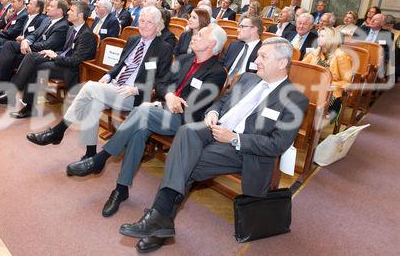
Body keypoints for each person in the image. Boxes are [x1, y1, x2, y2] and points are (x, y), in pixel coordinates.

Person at [119, 37, 309, 253]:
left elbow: (277, 144)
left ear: (282, 63)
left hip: (244, 149)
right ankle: (160, 221)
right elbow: (221, 100)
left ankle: (158, 220)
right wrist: (213, 112)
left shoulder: (294, 99)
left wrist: (234, 138)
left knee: (186, 162)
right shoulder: (248, 79)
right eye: (257, 56)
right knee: (187, 132)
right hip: (215, 130)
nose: (256, 61)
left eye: (263, 56)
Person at [66, 23, 228, 217]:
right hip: (158, 111)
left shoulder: (217, 72)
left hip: (184, 122)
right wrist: (167, 97)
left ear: (212, 43)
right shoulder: (184, 59)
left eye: (200, 35)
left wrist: (159, 104)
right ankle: (121, 189)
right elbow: (161, 84)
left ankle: (102, 158)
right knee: (138, 130)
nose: (194, 36)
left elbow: (194, 106)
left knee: (142, 111)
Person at [26, 6, 173, 160]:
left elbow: (161, 80)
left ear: (158, 25)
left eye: (149, 22)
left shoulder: (164, 48)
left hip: (134, 95)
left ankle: (58, 131)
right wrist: (108, 76)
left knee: (89, 87)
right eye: (141, 21)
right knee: (93, 103)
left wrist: (136, 89)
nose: (143, 25)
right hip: (114, 86)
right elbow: (119, 65)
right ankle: (90, 154)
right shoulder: (133, 40)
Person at [302, 27, 352, 119]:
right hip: (311, 88)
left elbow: (347, 81)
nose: (318, 38)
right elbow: (302, 69)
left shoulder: (341, 56)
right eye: (318, 36)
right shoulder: (314, 53)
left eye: (322, 36)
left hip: (330, 93)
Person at [222, 16, 263, 82]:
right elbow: (221, 65)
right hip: (223, 81)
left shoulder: (263, 52)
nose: (238, 30)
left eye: (242, 27)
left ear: (254, 29)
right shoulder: (234, 45)